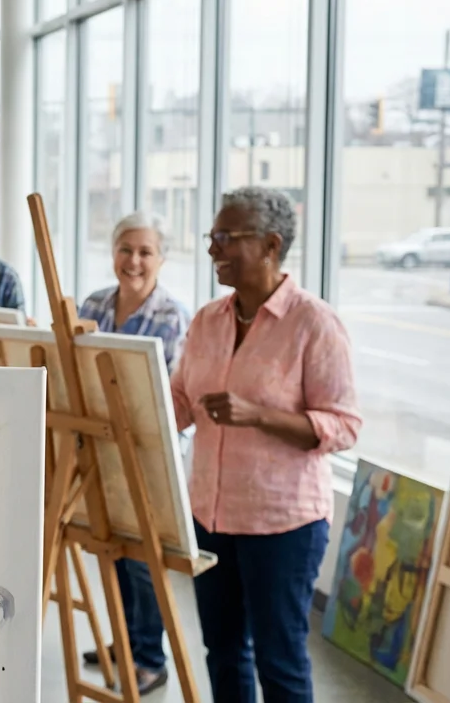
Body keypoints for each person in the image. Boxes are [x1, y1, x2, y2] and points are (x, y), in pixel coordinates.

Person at [171, 187, 361, 702]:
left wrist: (261, 417)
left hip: (283, 526)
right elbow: (180, 401)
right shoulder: (207, 320)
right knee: (224, 652)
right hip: (209, 517)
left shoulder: (313, 323)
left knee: (281, 662)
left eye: (225, 237)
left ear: (271, 244)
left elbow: (344, 425)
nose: (213, 248)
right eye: (212, 236)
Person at [77, 211, 192, 695]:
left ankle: (149, 656)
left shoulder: (173, 315)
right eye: (127, 249)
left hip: (149, 453)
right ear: (113, 252)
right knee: (113, 550)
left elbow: (170, 394)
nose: (134, 260)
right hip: (100, 447)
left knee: (144, 560)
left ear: (161, 258)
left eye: (146, 252)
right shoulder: (93, 303)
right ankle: (121, 641)